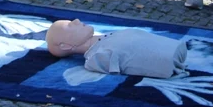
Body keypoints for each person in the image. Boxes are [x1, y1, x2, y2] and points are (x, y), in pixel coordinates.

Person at [45, 19, 188, 78]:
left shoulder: (104, 40)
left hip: (174, 49)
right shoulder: (95, 57)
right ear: (66, 46)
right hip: (168, 61)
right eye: (70, 25)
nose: (76, 21)